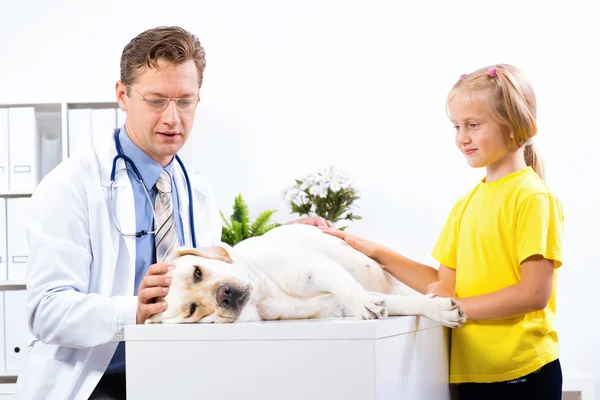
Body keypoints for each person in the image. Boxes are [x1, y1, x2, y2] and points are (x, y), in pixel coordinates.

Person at [15, 26, 331, 400]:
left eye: (184, 101)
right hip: (94, 381)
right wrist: (134, 310)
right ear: (123, 95)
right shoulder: (71, 185)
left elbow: (218, 273)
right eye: (156, 100)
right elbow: (45, 310)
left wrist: (284, 240)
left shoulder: (194, 189)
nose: (172, 118)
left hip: (178, 374)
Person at [322, 64, 564, 400]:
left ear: (513, 125)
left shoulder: (532, 196)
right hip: (470, 372)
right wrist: (367, 249)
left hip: (521, 372)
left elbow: (533, 293)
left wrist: (453, 306)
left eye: (473, 125)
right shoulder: (466, 203)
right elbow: (443, 283)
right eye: (456, 126)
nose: (461, 137)